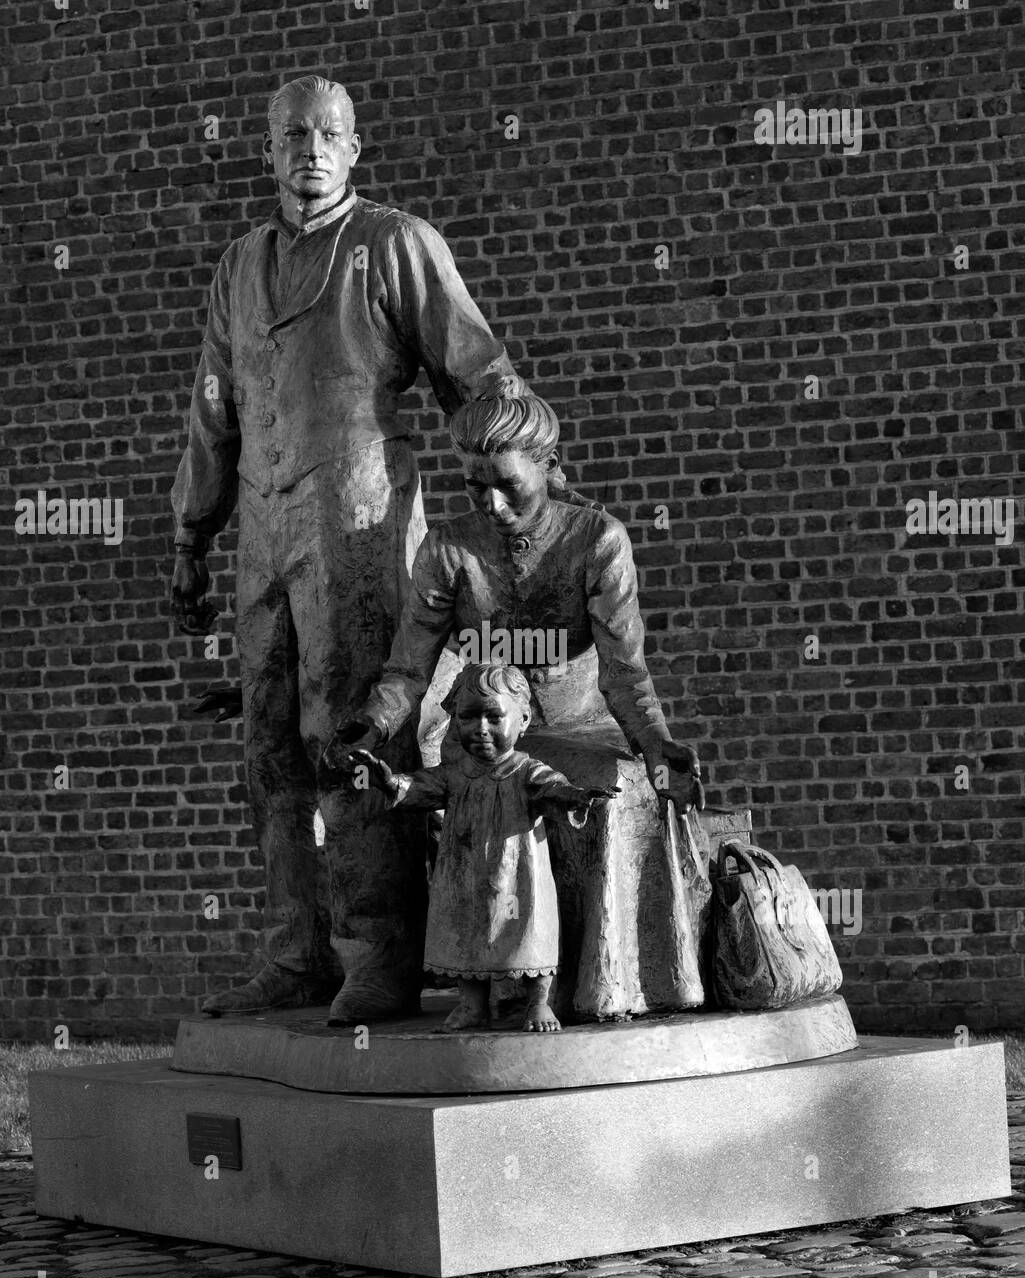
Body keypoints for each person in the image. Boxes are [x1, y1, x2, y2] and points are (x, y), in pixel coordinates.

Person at [170, 73, 529, 1024]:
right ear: (268, 152)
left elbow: (476, 367)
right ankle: (296, 955)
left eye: (329, 134)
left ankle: (380, 954)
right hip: (262, 525)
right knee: (269, 742)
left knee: (356, 731)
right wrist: (191, 533)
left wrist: (518, 485)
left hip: (361, 518)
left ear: (356, 149)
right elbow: (215, 406)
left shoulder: (392, 245)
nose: (310, 150)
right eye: (292, 134)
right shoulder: (238, 267)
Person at [323, 395, 711, 1020]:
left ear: (548, 464)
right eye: (475, 488)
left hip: (579, 723)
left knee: (615, 789)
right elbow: (408, 668)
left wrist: (657, 742)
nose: (492, 505)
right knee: (453, 791)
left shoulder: (596, 540)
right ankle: (479, 984)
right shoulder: (447, 551)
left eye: (507, 486)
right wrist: (371, 725)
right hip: (486, 731)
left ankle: (601, 987)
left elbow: (623, 670)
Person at [351, 663, 617, 1032]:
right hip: (463, 875)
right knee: (464, 933)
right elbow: (420, 788)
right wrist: (389, 781)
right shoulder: (454, 773)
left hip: (519, 876)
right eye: (468, 717)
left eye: (494, 717)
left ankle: (538, 1002)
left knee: (527, 931)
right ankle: (470, 1005)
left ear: (523, 719)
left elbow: (553, 788)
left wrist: (577, 796)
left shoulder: (525, 770)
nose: (480, 728)